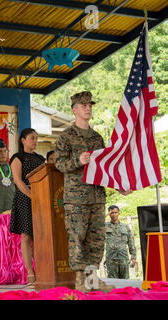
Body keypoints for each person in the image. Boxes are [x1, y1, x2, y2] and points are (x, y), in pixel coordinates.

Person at [54, 91, 130, 293]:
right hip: (76, 200)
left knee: (96, 240)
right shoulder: (65, 137)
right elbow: (59, 163)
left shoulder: (97, 138)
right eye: (84, 105)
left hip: (96, 197)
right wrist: (77, 161)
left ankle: (93, 278)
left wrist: (119, 185)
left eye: (90, 105)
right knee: (77, 239)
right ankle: (80, 280)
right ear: (75, 110)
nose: (88, 108)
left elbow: (105, 168)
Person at [9, 128, 45, 284]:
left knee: (40, 236)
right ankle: (30, 272)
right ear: (23, 140)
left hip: (41, 198)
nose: (35, 141)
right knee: (26, 236)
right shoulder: (17, 158)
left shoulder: (41, 159)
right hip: (24, 198)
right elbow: (18, 181)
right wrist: (33, 197)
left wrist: (40, 198)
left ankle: (43, 270)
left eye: (36, 138)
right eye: (32, 138)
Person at [104, 205, 137, 279]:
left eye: (116, 212)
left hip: (123, 258)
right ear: (109, 214)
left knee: (125, 281)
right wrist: (105, 215)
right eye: (112, 213)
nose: (114, 214)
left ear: (119, 213)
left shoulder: (125, 227)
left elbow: (131, 242)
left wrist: (133, 257)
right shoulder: (104, 226)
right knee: (113, 282)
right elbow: (96, 224)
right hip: (111, 259)